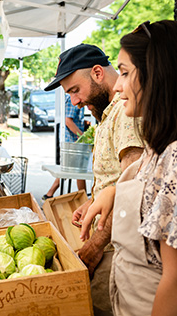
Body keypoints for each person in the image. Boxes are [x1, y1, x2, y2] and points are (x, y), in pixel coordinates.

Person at [79, 20, 177, 316]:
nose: (118, 85)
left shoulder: (174, 157)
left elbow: (173, 282)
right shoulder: (159, 148)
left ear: (156, 75)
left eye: (124, 73)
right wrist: (112, 195)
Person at [44, 43, 144, 315]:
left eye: (75, 90)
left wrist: (96, 245)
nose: (74, 101)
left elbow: (132, 189)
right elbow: (115, 180)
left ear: (98, 73)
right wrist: (92, 202)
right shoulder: (107, 114)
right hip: (108, 240)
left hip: (115, 247)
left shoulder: (125, 115)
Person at [42, 93, 86, 202]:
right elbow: (68, 121)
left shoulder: (70, 98)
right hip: (72, 142)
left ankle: (49, 194)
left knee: (68, 170)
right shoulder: (75, 99)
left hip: (70, 141)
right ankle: (85, 199)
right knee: (80, 172)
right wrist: (83, 136)